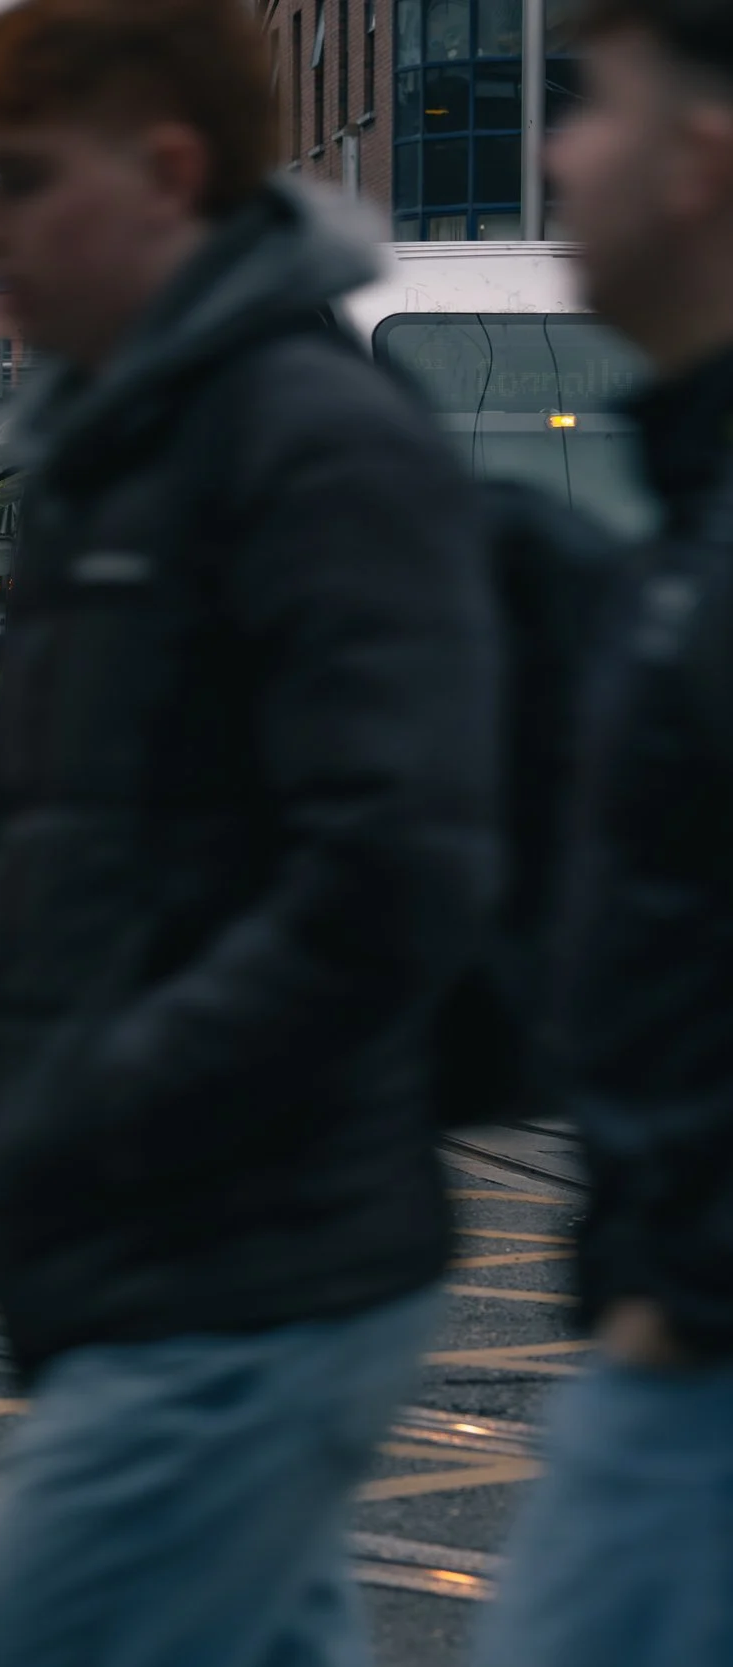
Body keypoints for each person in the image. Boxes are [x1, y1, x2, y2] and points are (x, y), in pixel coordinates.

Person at [0, 3, 500, 1663]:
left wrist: (106, 1096)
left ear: (167, 171)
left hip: (244, 1264)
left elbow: (396, 866)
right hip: (171, 1256)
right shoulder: (127, 454)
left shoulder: (314, 444)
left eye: (23, 177)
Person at [472, 7, 733, 1662]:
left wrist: (675, 1295)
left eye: (593, 112)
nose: (555, 160)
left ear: (702, 160)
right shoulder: (685, 506)